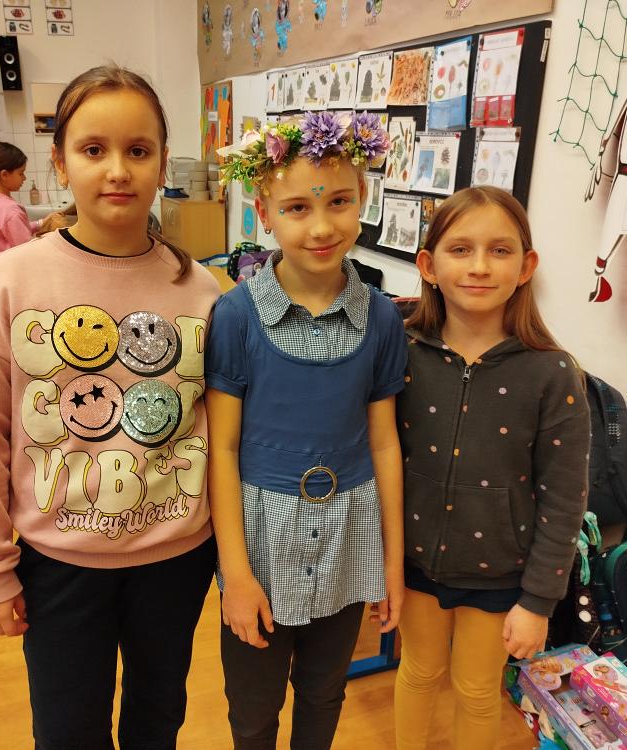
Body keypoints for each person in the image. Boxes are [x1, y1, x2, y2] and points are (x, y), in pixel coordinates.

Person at [0, 65, 221, 750]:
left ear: (163, 161)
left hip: (177, 560)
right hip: (59, 563)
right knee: (69, 732)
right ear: (61, 164)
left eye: (139, 150)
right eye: (94, 149)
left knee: (158, 720)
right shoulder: (8, 283)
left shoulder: (202, 290)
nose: (118, 171)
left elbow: (221, 431)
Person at [205, 111, 405, 750]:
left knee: (324, 694)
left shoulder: (381, 319)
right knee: (253, 711)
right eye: (297, 208)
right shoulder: (235, 317)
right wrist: (236, 575)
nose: (321, 227)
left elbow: (384, 443)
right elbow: (223, 449)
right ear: (264, 214)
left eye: (339, 201)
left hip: (348, 537)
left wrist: (392, 565)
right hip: (262, 545)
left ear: (363, 200)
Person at [394, 186, 590, 750]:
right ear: (428, 266)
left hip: (500, 572)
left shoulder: (552, 372)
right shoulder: (401, 352)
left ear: (526, 267)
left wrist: (538, 602)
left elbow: (564, 499)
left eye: (500, 251)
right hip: (412, 562)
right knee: (418, 672)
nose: (479, 266)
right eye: (461, 249)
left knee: (478, 690)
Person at [0, 141, 38, 260]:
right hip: (7, 267)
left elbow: (13, 229)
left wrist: (41, 223)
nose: (24, 178)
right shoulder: (10, 210)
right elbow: (27, 250)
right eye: (21, 173)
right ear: (4, 175)